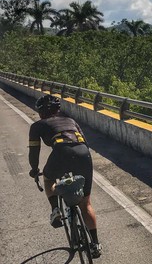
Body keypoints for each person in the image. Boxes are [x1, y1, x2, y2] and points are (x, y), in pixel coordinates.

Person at [28, 94, 102, 258]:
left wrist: (34, 169)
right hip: (83, 154)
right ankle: (96, 244)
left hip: (61, 153)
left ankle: (55, 210)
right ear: (58, 109)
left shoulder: (38, 125)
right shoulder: (70, 120)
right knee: (86, 203)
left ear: (40, 112)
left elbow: (34, 151)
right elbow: (85, 142)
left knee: (49, 178)